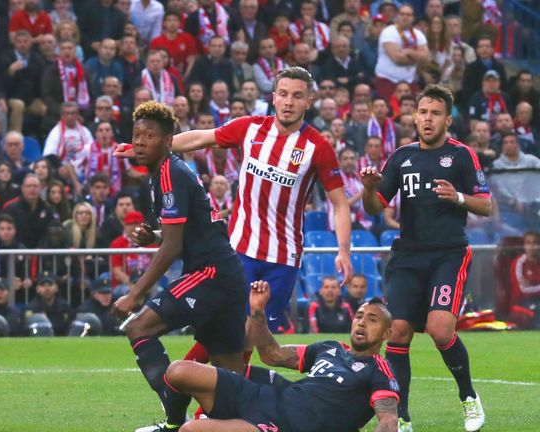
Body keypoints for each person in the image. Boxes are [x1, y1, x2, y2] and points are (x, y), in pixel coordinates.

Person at [117, 67, 353, 336]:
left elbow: (340, 204)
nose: (289, 102)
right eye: (284, 94)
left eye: (298, 96)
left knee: (254, 337)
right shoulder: (250, 128)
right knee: (226, 330)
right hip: (239, 253)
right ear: (273, 97)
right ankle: (191, 375)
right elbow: (200, 138)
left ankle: (201, 375)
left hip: (283, 258)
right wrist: (141, 148)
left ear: (309, 102)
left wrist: (343, 250)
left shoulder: (318, 147)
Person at [112, 101, 247, 432]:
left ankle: (174, 419)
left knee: (138, 327)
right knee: (230, 378)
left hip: (210, 273)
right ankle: (257, 423)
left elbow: (172, 247)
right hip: (226, 275)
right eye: (137, 135)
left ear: (169, 140)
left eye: (149, 135)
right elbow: (182, 232)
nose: (140, 142)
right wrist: (154, 234)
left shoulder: (170, 173)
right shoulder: (167, 172)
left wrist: (135, 294)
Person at [360, 84, 489, 432]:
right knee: (397, 331)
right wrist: (371, 189)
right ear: (414, 117)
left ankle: (468, 397)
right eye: (423, 112)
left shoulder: (462, 155)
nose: (427, 119)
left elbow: (486, 204)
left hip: (448, 255)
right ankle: (401, 419)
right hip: (407, 256)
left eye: (435, 113)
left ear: (448, 119)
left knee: (439, 328)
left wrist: (459, 196)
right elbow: (375, 207)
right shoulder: (402, 156)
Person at [164, 280, 399, 432]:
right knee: (178, 371)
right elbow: (271, 354)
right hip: (267, 396)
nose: (361, 322)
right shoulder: (330, 347)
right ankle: (170, 424)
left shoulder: (379, 369)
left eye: (372, 319)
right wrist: (257, 313)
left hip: (288, 425)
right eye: (359, 316)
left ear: (387, 333)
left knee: (191, 431)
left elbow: (388, 421)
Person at [26, 272, 75, 336]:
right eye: (43, 285)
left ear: (56, 288)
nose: (47, 289)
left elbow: (72, 327)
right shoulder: (31, 308)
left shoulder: (65, 307)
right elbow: (25, 330)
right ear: (37, 289)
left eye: (50, 284)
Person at [508, 231, 540, 329]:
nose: (531, 247)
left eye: (535, 243)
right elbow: (522, 290)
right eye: (528, 243)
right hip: (522, 304)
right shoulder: (519, 263)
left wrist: (532, 286)